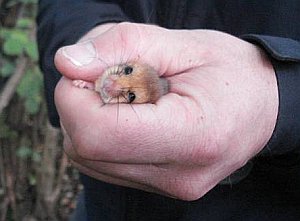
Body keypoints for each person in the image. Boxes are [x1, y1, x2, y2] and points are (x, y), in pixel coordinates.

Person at [37, 1, 300, 220]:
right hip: (102, 206)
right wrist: (90, 36)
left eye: (129, 95)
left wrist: (284, 96)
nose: (115, 83)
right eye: (127, 71)